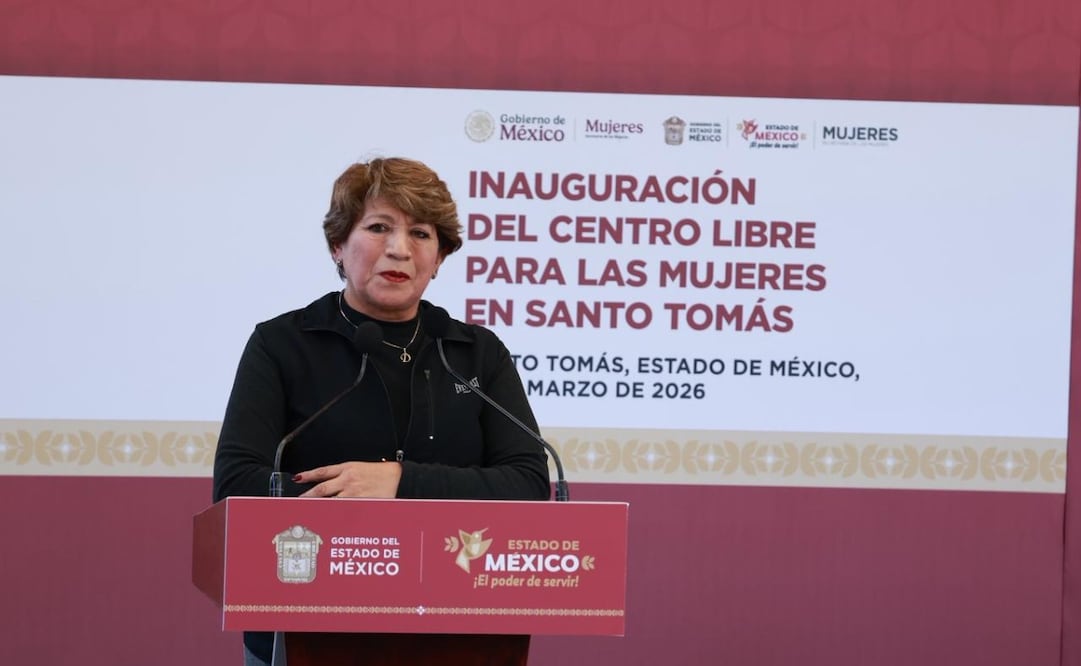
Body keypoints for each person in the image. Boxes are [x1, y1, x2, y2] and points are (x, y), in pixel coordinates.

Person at [212, 157, 552, 666]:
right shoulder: (282, 345)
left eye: (421, 233)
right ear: (338, 247)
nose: (399, 248)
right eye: (378, 227)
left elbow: (527, 484)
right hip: (305, 631)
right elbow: (238, 485)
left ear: (439, 259)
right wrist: (352, 504)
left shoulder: (475, 354)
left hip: (459, 633)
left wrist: (400, 481)